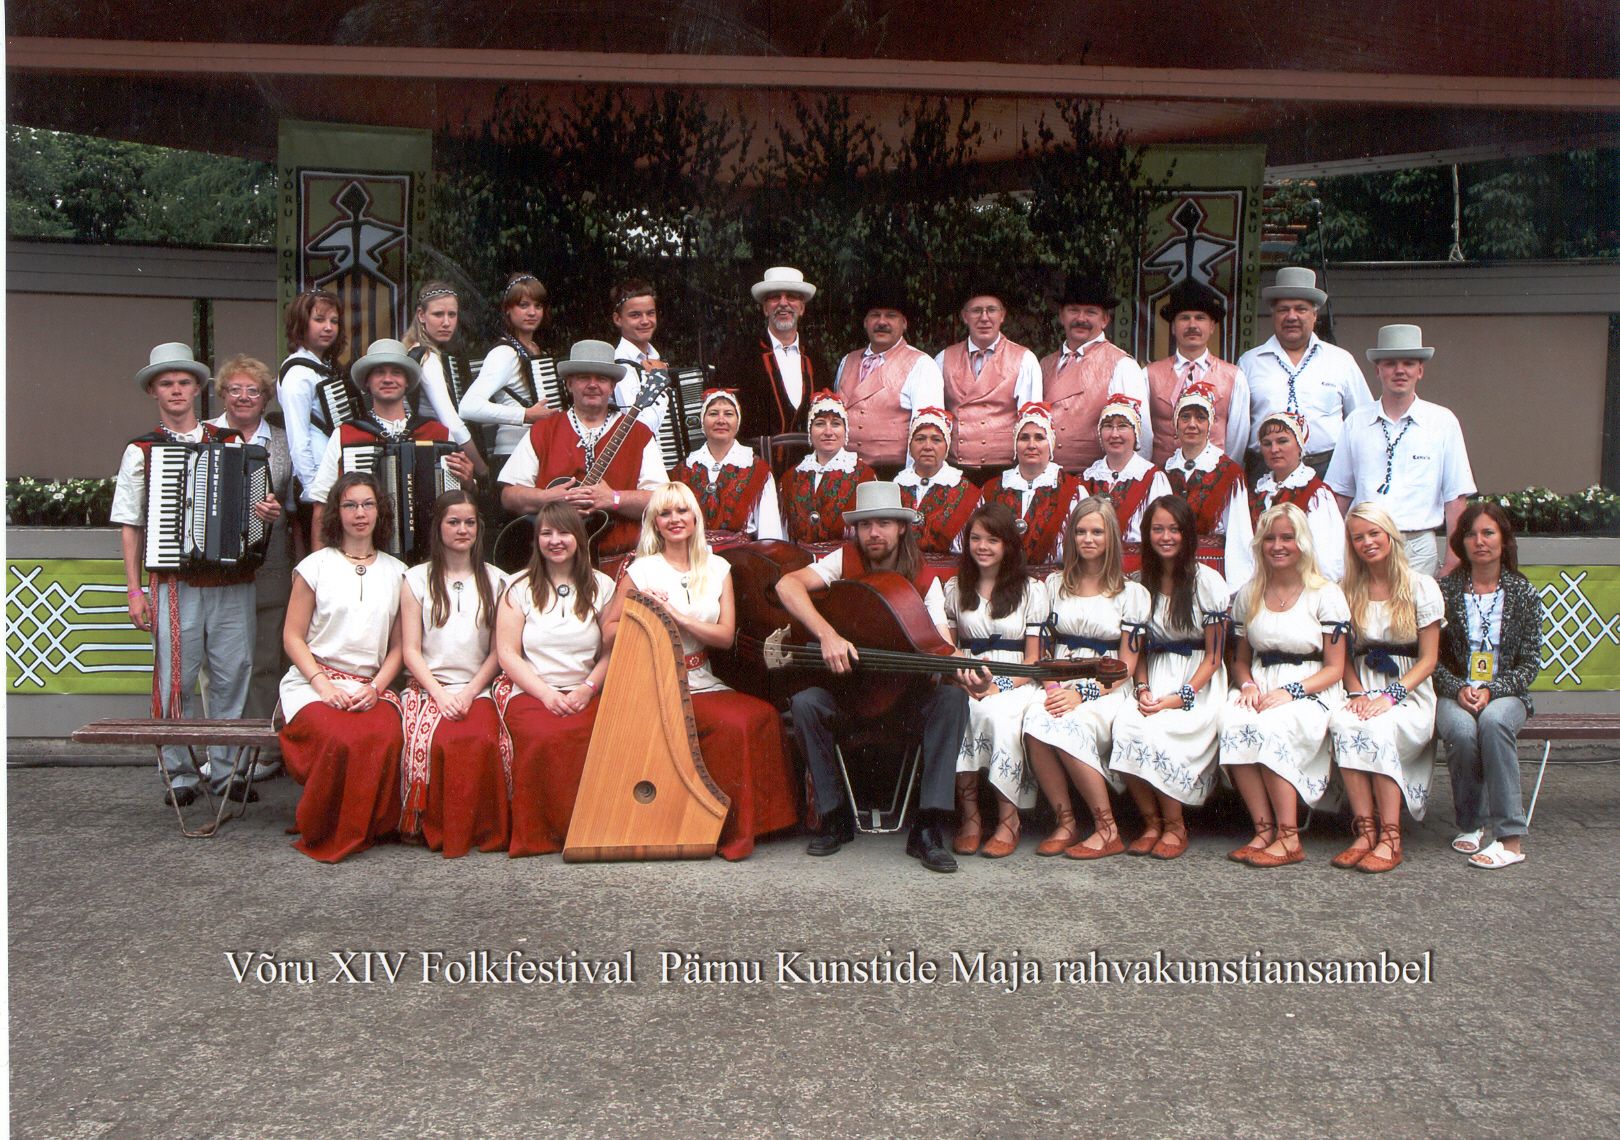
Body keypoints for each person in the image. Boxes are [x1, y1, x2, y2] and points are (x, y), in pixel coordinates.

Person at [113, 342, 280, 808]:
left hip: (231, 581)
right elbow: (131, 525)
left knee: (233, 674)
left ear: (198, 389)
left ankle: (226, 771)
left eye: (184, 382)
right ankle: (180, 773)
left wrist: (264, 514)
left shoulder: (230, 442)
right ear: (153, 391)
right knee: (176, 679)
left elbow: (254, 507)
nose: (176, 390)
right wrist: (133, 590)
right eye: (166, 383)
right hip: (174, 583)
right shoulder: (141, 450)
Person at [775, 481, 971, 873]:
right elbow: (787, 584)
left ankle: (928, 827)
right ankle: (834, 818)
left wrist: (965, 672)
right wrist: (827, 634)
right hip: (849, 696)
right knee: (806, 703)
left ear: (902, 528)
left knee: (952, 700)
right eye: (865, 525)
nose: (874, 533)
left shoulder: (923, 578)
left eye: (883, 523)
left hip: (905, 702)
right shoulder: (841, 561)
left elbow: (942, 644)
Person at [603, 483, 800, 860]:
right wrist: (644, 613)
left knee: (761, 715)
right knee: (733, 725)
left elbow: (725, 637)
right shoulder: (642, 571)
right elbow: (608, 633)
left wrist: (676, 616)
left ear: (695, 518)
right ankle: (723, 832)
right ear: (655, 524)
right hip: (656, 678)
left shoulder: (718, 566)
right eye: (665, 513)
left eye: (682, 512)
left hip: (702, 675)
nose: (675, 520)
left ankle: (763, 826)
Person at [278, 472, 408, 862]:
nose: (359, 513)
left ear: (380, 511)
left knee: (385, 733)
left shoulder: (398, 572)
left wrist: (376, 689)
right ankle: (326, 828)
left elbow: (400, 647)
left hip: (371, 685)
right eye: (350, 505)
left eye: (368, 504)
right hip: (313, 683)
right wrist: (323, 686)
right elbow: (292, 637)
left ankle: (370, 827)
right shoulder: (315, 566)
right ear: (337, 512)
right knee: (340, 737)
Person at [1219, 504, 1350, 867]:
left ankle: (1289, 836)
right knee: (1233, 721)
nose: (1278, 546)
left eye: (1287, 538)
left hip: (1311, 686)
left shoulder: (1325, 593)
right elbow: (1241, 659)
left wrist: (1290, 692)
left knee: (1273, 726)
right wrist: (1245, 686)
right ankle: (1263, 830)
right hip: (1261, 682)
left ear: (1302, 543)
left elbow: (1335, 668)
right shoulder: (1250, 593)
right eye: (1270, 538)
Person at [1022, 499, 1148, 858]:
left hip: (1106, 687)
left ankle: (1107, 828)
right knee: (1034, 720)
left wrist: (1084, 694)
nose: (1088, 539)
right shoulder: (1053, 585)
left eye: (1097, 531)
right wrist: (1053, 689)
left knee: (1071, 723)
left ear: (1111, 537)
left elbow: (1125, 665)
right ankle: (1065, 822)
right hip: (1058, 680)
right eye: (1080, 531)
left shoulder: (1131, 593)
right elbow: (1043, 649)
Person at [1109, 495, 1230, 858]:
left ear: (1187, 534)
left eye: (1174, 529)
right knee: (1126, 726)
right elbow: (1139, 649)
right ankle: (1151, 822)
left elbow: (1214, 656)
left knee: (1161, 730)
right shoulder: (1138, 583)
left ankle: (1175, 825)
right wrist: (1143, 688)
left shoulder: (1207, 582)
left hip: (1197, 679)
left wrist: (1181, 697)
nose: (1166, 537)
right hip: (1154, 674)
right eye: (1158, 529)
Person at [1328, 504, 1444, 873]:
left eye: (1374, 533)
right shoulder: (1347, 589)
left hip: (1408, 688)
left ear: (1390, 535)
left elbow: (1428, 660)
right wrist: (1359, 693)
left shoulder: (1420, 586)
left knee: (1379, 727)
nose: (1367, 542)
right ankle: (1364, 830)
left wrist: (1389, 697)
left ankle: (1391, 836)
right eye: (1358, 537)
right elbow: (1342, 657)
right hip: (1362, 685)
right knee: (1344, 723)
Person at [494, 502, 615, 857]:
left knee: (595, 735)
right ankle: (541, 835)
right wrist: (546, 695)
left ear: (579, 537)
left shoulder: (602, 586)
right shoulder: (518, 586)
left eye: (563, 532)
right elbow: (507, 654)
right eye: (546, 533)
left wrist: (588, 688)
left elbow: (611, 650)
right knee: (545, 736)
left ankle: (591, 831)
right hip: (531, 690)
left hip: (586, 689)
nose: (555, 540)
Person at [397, 491, 510, 857]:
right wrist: (442, 695)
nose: (463, 530)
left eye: (470, 522)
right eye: (453, 522)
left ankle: (481, 828)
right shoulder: (415, 580)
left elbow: (498, 651)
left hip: (478, 687)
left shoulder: (498, 581)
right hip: (429, 688)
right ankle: (432, 828)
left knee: (482, 740)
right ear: (438, 527)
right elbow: (410, 651)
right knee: (439, 741)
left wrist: (469, 692)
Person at [1434, 502, 1543, 870]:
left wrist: (1493, 690)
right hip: (1454, 690)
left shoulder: (1523, 592)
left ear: (1503, 539)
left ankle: (1509, 839)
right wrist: (1458, 688)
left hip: (1506, 693)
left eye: (1488, 533)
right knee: (1463, 731)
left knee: (1494, 723)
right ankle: (1470, 823)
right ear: (1460, 542)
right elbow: (1430, 658)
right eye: (1470, 534)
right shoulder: (1444, 591)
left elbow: (1530, 663)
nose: (1479, 541)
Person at [1325, 323, 1475, 577]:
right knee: (1365, 616)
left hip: (1417, 548)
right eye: (1391, 363)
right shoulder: (1355, 422)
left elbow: (1455, 499)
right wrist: (1330, 556)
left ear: (1420, 370)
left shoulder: (1442, 422)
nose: (1399, 371)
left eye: (1408, 363)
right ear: (1378, 370)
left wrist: (1453, 561)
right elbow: (1338, 496)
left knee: (1416, 617)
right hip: (1365, 545)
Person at [497, 340, 666, 563]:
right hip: (553, 562)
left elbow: (663, 500)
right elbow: (509, 495)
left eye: (602, 378)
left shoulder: (639, 433)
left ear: (613, 386)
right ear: (569, 384)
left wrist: (614, 499)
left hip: (619, 561)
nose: (593, 384)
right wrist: (547, 498)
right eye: (584, 377)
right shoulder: (544, 430)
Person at [206, 354, 294, 782]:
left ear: (266, 398)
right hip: (214, 569)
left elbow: (299, 503)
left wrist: (279, 511)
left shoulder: (284, 440)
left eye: (253, 391)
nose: (243, 397)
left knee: (263, 661)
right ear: (223, 394)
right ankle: (221, 747)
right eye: (235, 390)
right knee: (219, 662)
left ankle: (258, 747)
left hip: (270, 564)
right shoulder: (204, 435)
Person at [945, 503, 1048, 858]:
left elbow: (1034, 661)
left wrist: (997, 686)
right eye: (975, 539)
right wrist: (966, 681)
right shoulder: (956, 588)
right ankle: (971, 818)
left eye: (992, 539)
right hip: (968, 677)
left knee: (1001, 717)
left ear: (1008, 545)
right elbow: (952, 648)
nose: (983, 547)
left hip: (1016, 680)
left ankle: (1009, 819)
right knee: (963, 713)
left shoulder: (1031, 590)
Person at [306, 339, 475, 553]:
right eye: (379, 373)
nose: (388, 379)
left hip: (429, 555)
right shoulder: (346, 435)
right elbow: (321, 506)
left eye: (396, 372)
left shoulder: (438, 433)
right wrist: (317, 570)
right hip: (365, 555)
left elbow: (460, 499)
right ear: (367, 382)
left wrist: (468, 482)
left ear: (407, 382)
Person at [1238, 266, 1372, 481]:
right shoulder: (1249, 363)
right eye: (1284, 309)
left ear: (1314, 314)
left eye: (1300, 309)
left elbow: (1363, 421)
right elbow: (1238, 428)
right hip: (1265, 472)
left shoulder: (1340, 361)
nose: (1291, 316)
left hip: (1327, 471)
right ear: (1273, 314)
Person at [1038, 274, 1151, 471]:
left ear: (1105, 319)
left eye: (1090, 312)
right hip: (1048, 476)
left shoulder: (1122, 364)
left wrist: (1131, 483)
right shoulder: (1044, 364)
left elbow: (1142, 433)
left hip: (1096, 478)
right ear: (1061, 316)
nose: (1081, 319)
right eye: (1073, 311)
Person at [834, 282, 945, 476]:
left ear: (904, 322)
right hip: (845, 474)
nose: (882, 322)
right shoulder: (847, 360)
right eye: (875, 315)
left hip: (894, 475)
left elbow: (926, 428)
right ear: (865, 322)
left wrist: (910, 479)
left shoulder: (922, 365)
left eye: (891, 316)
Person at [934, 287, 1042, 482]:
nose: (984, 318)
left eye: (991, 310)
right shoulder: (943, 358)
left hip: (1004, 469)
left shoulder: (1025, 359)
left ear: (1002, 316)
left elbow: (1031, 421)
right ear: (965, 316)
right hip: (955, 468)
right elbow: (934, 416)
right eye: (976, 311)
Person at [1144, 279, 1249, 466]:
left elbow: (1237, 439)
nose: (1192, 325)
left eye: (1200, 318)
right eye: (1184, 318)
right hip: (1163, 477)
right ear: (1173, 327)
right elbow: (1143, 434)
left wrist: (1225, 476)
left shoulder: (1233, 376)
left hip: (1214, 478)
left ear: (1212, 327)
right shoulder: (1149, 375)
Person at [459, 273, 558, 471]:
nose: (532, 312)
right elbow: (468, 406)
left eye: (537, 306)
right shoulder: (504, 353)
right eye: (523, 305)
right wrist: (525, 415)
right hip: (513, 454)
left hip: (539, 451)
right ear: (508, 310)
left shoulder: (536, 350)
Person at [1161, 380, 1253, 585]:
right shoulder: (1164, 471)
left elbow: (1239, 535)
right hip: (1170, 573)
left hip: (1214, 575)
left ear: (1209, 425)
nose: (1192, 424)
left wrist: (1235, 589)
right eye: (1185, 417)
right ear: (1176, 424)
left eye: (1200, 418)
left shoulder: (1229, 473)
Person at [718, 266, 826, 439]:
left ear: (802, 308)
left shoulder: (817, 361)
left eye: (791, 296)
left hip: (809, 464)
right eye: (775, 297)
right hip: (756, 463)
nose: (783, 303)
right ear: (765, 308)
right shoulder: (739, 356)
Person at [668, 388, 784, 546]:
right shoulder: (684, 469)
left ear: (737, 422)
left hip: (740, 560)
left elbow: (769, 534)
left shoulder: (757, 470)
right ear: (703, 421)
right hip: (691, 558)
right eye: (713, 413)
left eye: (728, 414)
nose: (721, 420)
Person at [277, 289, 346, 538]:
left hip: (331, 477)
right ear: (301, 322)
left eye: (334, 321)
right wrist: (311, 489)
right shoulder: (298, 372)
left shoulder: (324, 367)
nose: (328, 327)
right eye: (319, 319)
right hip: (316, 480)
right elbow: (298, 435)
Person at [401, 279, 487, 479]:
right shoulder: (427, 358)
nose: (446, 322)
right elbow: (452, 424)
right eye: (438, 314)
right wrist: (483, 470)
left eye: (452, 315)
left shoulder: (419, 350)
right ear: (421, 316)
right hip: (435, 451)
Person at [1246, 410, 1345, 581]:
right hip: (1262, 585)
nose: (1274, 449)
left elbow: (1328, 558)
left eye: (1282, 441)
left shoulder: (1316, 493)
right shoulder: (1259, 492)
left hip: (1303, 587)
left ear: (1300, 444)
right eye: (1267, 443)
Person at [979, 403, 1082, 566]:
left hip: (1054, 582)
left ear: (1051, 444)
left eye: (1040, 438)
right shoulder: (992, 489)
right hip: (1001, 582)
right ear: (1015, 445)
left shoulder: (1073, 490)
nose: (1031, 445)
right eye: (1024, 437)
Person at [778, 390, 877, 549]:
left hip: (845, 566)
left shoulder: (864, 476)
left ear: (845, 431)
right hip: (800, 566)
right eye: (820, 424)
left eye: (836, 424)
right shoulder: (791, 477)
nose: (828, 432)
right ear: (810, 431)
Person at [1079, 394, 1172, 548]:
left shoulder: (1153, 478)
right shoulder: (1087, 479)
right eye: (1108, 426)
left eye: (1122, 426)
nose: (1114, 434)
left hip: (1139, 567)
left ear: (1135, 433)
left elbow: (1163, 533)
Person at [894, 407, 980, 556]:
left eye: (936, 440)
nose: (928, 446)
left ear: (946, 446)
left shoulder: (966, 491)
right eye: (920, 439)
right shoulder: (895, 486)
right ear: (910, 445)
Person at [607, 279, 673, 435]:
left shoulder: (656, 358)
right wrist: (659, 380)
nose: (645, 321)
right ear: (618, 319)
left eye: (650, 313)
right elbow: (638, 428)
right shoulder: (619, 367)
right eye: (635, 315)